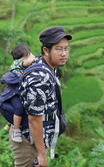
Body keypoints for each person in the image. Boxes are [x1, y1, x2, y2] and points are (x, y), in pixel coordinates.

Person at [9, 26, 72, 167]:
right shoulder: (39, 77)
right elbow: (34, 119)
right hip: (28, 142)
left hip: (35, 140)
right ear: (45, 50)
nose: (64, 54)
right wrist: (41, 154)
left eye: (66, 49)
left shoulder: (47, 67)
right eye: (58, 49)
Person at [9, 44, 36, 142]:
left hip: (21, 91)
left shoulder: (21, 63)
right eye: (27, 56)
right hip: (14, 92)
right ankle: (16, 130)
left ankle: (31, 132)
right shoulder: (17, 63)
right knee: (19, 108)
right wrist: (32, 56)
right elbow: (29, 61)